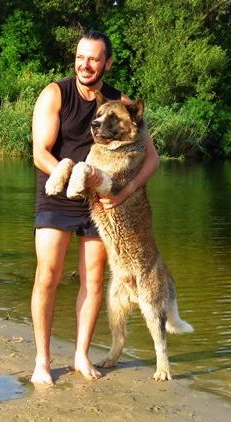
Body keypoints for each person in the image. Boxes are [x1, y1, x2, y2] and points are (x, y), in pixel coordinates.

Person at [30, 30, 159, 385]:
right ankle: (42, 361)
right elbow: (40, 153)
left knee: (94, 280)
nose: (85, 65)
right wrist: (68, 173)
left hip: (101, 202)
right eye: (80, 57)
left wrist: (125, 191)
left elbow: (152, 158)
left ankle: (81, 356)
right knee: (48, 275)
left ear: (107, 63)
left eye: (93, 59)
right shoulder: (55, 93)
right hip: (57, 193)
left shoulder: (121, 103)